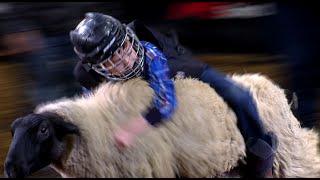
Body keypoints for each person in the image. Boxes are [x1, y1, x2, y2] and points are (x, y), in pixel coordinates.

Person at [70, 12, 278, 178]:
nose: (126, 60)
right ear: (97, 68)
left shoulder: (149, 52)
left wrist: (131, 130)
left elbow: (165, 104)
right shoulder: (92, 81)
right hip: (145, 122)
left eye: (125, 48)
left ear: (129, 37)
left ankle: (260, 153)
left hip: (179, 70)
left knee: (239, 95)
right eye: (113, 60)